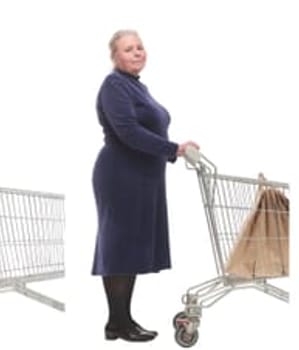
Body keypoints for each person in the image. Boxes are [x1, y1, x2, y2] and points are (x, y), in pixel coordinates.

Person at [91, 29, 201, 343]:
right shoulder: (114, 85)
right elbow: (127, 131)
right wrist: (173, 149)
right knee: (120, 246)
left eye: (140, 47)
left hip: (142, 176)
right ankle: (120, 323)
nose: (137, 52)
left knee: (129, 246)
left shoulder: (136, 86)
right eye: (129, 49)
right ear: (115, 56)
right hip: (121, 175)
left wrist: (173, 148)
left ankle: (119, 322)